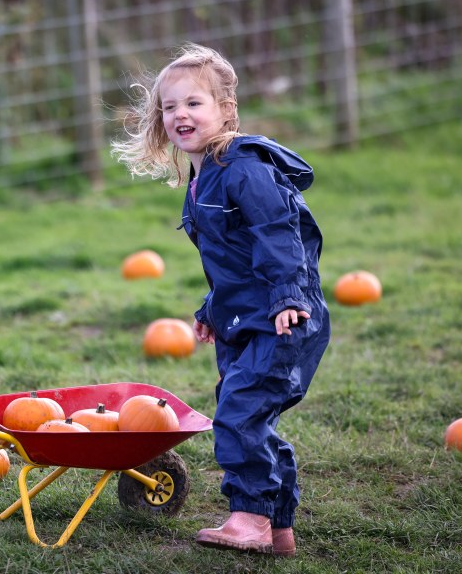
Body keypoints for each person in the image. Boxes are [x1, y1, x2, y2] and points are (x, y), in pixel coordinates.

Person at [112, 42, 331, 557]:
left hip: (282, 316)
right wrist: (213, 309)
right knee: (249, 416)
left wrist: (286, 298)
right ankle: (279, 529)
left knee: (237, 413)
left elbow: (279, 234)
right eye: (169, 107)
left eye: (194, 103)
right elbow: (232, 256)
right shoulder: (204, 174)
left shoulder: (244, 169)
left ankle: (249, 517)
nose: (179, 115)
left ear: (225, 110)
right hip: (244, 317)